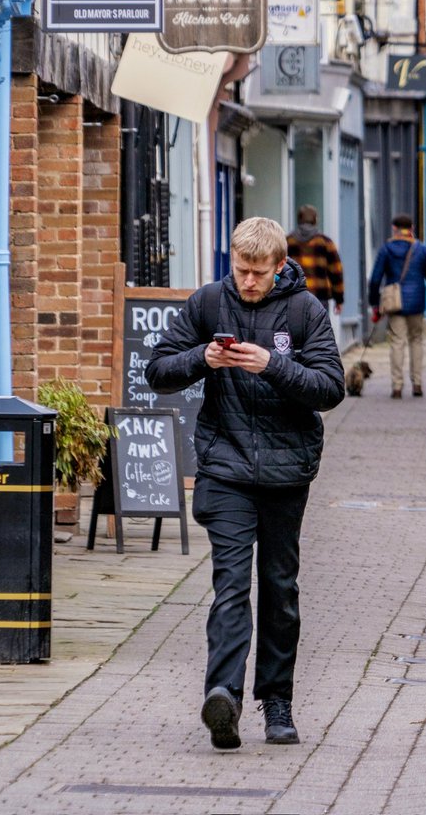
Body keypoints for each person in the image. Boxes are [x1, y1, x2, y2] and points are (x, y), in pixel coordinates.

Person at [145, 217, 345, 751]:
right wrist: (202, 358)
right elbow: (157, 371)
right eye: (240, 271)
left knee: (279, 590)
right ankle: (224, 697)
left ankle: (277, 703)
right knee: (231, 585)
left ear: (280, 266)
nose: (248, 282)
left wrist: (273, 365)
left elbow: (330, 389)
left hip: (286, 471)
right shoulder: (208, 303)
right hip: (224, 465)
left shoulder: (305, 311)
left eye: (258, 273)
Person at [367, 214, 426, 399]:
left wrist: (375, 303)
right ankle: (417, 383)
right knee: (416, 340)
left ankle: (397, 385)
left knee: (397, 342)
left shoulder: (386, 249)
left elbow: (375, 279)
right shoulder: (422, 250)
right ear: (412, 228)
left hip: (394, 303)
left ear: (394, 228)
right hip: (416, 302)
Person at [286, 203, 345, 314]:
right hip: (319, 296)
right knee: (319, 329)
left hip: (294, 295)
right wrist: (339, 299)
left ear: (299, 219)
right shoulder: (325, 242)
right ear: (315, 220)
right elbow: (336, 271)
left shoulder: (288, 241)